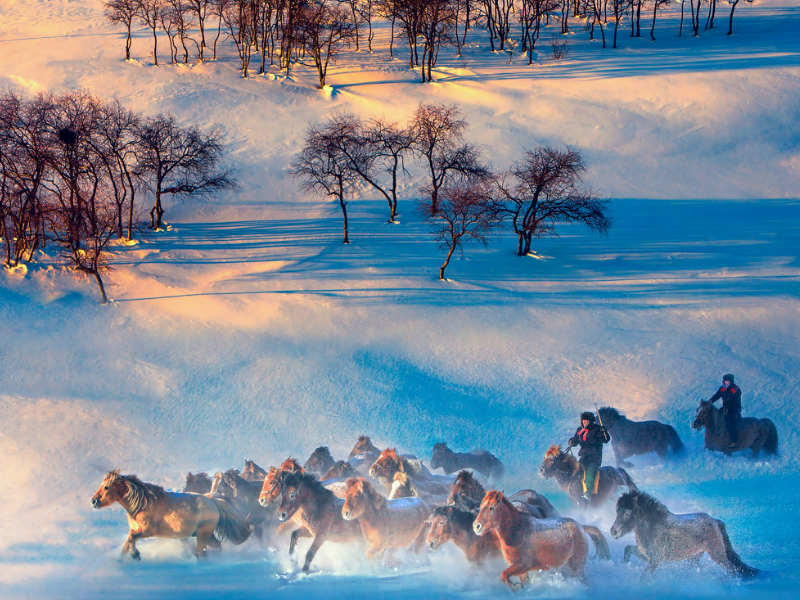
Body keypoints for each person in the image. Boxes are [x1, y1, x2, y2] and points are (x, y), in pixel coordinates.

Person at [568, 411, 610, 503]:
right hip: (583, 456)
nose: (585, 422)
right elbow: (575, 439)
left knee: (590, 475)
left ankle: (587, 495)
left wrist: (604, 433)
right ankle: (576, 491)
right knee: (576, 472)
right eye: (584, 420)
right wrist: (571, 442)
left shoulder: (597, 429)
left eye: (587, 420)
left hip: (594, 457)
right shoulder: (580, 430)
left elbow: (605, 440)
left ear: (591, 421)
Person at [709, 373, 742, 449]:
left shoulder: (736, 389)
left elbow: (736, 402)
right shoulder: (722, 389)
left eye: (727, 381)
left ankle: (734, 441)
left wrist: (728, 408)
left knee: (729, 422)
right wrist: (710, 402)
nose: (725, 383)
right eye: (724, 381)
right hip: (724, 409)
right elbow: (716, 396)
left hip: (734, 410)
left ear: (731, 381)